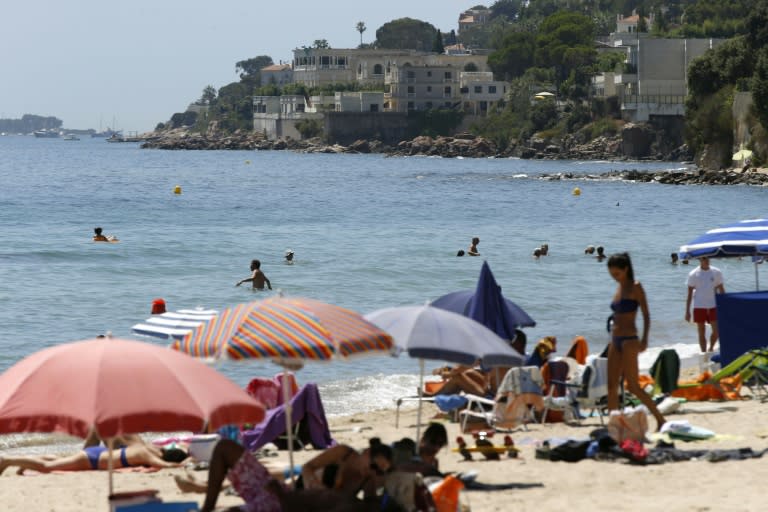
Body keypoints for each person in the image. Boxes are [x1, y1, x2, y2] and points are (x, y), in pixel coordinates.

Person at [605, 252, 666, 431]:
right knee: (611, 386)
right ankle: (613, 426)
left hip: (630, 339)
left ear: (626, 269)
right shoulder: (618, 289)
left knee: (632, 386)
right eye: (611, 274)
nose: (614, 277)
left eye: (617, 273)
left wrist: (645, 338)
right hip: (614, 339)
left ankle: (660, 419)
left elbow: (646, 315)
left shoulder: (635, 287)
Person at [0, 434, 185, 475]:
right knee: (48, 467)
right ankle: (7, 460)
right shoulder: (148, 455)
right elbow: (163, 465)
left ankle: (25, 463)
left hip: (99, 452)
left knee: (59, 460)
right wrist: (182, 465)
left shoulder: (150, 448)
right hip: (92, 460)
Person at [685, 256, 725, 352]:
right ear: (699, 260)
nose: (706, 260)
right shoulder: (693, 274)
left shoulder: (716, 272)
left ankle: (711, 348)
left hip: (713, 305)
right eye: (703, 259)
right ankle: (703, 353)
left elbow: (721, 290)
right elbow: (689, 294)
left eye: (707, 258)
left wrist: (725, 305)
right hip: (699, 306)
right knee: (701, 332)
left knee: (716, 331)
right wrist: (687, 311)